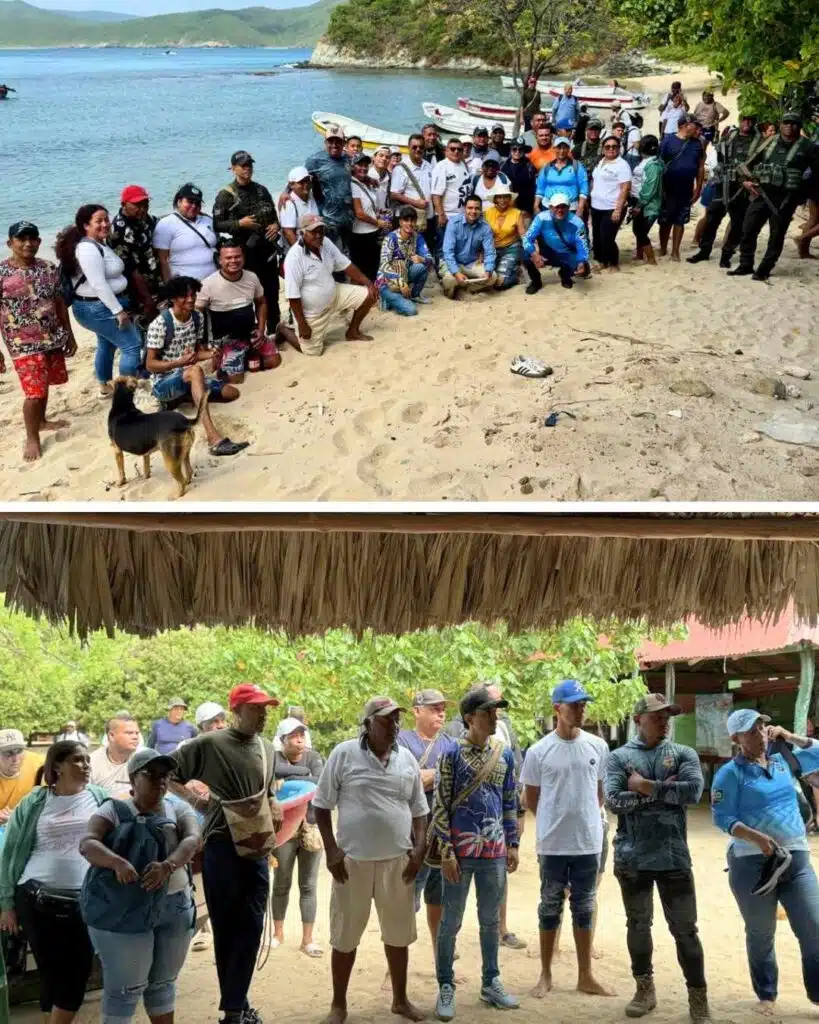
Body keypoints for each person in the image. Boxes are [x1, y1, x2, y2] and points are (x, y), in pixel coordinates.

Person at [172, 682, 284, 1024]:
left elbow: (269, 790)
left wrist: (275, 803)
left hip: (257, 847)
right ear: (236, 710)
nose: (263, 714)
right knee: (225, 926)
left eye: (266, 708)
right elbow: (168, 773)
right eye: (256, 708)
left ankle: (235, 1005)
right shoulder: (209, 743)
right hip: (221, 844)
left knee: (251, 924)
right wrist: (196, 800)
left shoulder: (267, 748)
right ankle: (235, 1009)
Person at [313, 696, 428, 1024]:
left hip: (398, 863)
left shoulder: (406, 759)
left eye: (396, 719)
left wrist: (419, 850)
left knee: (398, 934)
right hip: (353, 864)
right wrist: (332, 850)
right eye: (385, 720)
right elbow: (321, 806)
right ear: (367, 724)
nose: (394, 725)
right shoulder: (343, 753)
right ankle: (339, 1005)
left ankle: (400, 1000)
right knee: (345, 935)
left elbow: (419, 810)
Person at [604, 694, 710, 1023]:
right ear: (638, 720)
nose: (664, 722)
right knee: (638, 925)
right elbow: (613, 800)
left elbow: (693, 792)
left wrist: (645, 786)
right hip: (632, 856)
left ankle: (698, 999)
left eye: (667, 716)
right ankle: (644, 989)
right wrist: (664, 791)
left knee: (686, 931)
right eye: (657, 717)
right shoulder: (619, 757)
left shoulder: (683, 753)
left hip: (674, 855)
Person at [80, 748, 200, 1024]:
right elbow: (88, 842)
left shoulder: (177, 807)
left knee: (163, 983)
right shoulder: (113, 808)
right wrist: (116, 862)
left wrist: (168, 866)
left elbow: (193, 839)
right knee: (125, 989)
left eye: (166, 775)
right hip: (124, 909)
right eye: (152, 774)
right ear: (133, 778)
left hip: (175, 906)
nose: (161, 781)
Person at [711, 710, 819, 1012]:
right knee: (761, 932)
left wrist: (791, 737)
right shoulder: (729, 774)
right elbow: (722, 817)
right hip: (752, 865)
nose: (759, 734)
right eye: (750, 731)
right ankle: (767, 994)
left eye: (761, 727)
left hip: (795, 858)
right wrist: (756, 837)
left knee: (814, 925)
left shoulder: (783, 758)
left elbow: (818, 753)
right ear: (736, 739)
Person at [431, 685, 520, 1020]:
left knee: (490, 920)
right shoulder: (451, 754)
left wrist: (512, 843)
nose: (495, 717)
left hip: (494, 852)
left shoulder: (504, 754)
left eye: (496, 711)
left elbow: (510, 799)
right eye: (488, 712)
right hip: (459, 853)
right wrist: (446, 850)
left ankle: (490, 981)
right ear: (470, 718)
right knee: (450, 921)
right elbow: (440, 805)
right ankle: (445, 985)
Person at [0, 741, 106, 1024]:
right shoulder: (35, 801)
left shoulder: (99, 797)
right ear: (56, 765)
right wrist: (6, 904)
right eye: (77, 760)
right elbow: (10, 851)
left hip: (85, 899)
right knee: (50, 971)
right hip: (35, 898)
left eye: (87, 760)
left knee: (79, 970)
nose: (85, 765)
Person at [521, 680, 612, 1000]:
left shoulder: (598, 747)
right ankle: (545, 974)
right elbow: (531, 799)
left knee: (585, 906)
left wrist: (584, 818)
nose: (580, 709)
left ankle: (585, 975)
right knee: (549, 907)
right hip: (553, 844)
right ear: (556, 708)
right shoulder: (538, 751)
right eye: (573, 704)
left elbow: (600, 793)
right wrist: (554, 820)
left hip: (588, 841)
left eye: (583, 703)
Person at [145, 275, 248, 459]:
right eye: (184, 296)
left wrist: (212, 354)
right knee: (195, 371)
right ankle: (214, 439)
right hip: (163, 382)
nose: (191, 299)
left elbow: (198, 351)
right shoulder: (160, 324)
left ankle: (185, 397)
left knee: (231, 393)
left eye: (192, 294)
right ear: (173, 299)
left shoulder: (197, 318)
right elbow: (150, 365)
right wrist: (178, 363)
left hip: (187, 376)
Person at [0, 220, 76, 462]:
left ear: (39, 242)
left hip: (51, 338)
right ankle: (32, 437)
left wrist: (69, 334)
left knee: (44, 384)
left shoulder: (48, 268)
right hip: (21, 344)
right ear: (10, 243)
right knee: (33, 392)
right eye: (21, 239)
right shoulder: (2, 273)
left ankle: (42, 421)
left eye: (32, 239)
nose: (28, 244)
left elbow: (59, 302)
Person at [55, 204, 143, 397]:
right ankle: (125, 393)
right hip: (96, 308)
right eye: (98, 221)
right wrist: (118, 311)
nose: (105, 224)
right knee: (132, 345)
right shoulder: (87, 249)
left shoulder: (100, 244)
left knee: (107, 343)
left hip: (98, 306)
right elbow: (98, 284)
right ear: (86, 225)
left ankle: (104, 386)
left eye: (106, 219)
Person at [396, 690, 457, 955]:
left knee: (440, 897)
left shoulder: (450, 744)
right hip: (410, 833)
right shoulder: (401, 741)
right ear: (417, 711)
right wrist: (440, 774)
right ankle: (395, 964)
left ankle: (439, 955)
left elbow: (458, 782)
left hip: (442, 834)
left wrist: (429, 776)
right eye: (434, 708)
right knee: (406, 897)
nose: (441, 713)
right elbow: (406, 780)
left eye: (443, 708)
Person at [728, 112, 819, 280]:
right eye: (786, 122)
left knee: (776, 235)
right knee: (748, 229)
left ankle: (764, 269)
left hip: (786, 198)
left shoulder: (808, 147)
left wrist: (802, 192)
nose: (789, 126)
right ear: (780, 124)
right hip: (761, 193)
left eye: (793, 123)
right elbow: (746, 165)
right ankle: (745, 264)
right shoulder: (768, 142)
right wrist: (746, 182)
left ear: (799, 126)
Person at [278, 214, 377, 357]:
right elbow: (293, 296)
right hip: (313, 312)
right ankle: (284, 330)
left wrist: (368, 283)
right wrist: (302, 324)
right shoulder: (294, 258)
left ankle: (352, 331)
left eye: (321, 231)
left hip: (334, 294)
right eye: (313, 232)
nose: (318, 235)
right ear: (302, 232)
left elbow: (346, 265)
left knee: (370, 295)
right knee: (312, 351)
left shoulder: (326, 243)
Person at [271, 718, 325, 957]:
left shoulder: (313, 758)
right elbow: (271, 776)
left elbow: (320, 782)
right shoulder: (273, 758)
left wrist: (289, 779)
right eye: (294, 736)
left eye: (302, 735)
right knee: (281, 882)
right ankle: (277, 933)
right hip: (283, 828)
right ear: (283, 740)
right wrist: (303, 775)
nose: (300, 740)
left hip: (311, 827)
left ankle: (308, 940)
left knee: (309, 884)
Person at [212, 151, 281, 327]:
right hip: (245, 253)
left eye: (249, 165)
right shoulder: (226, 194)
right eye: (243, 166)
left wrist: (276, 225)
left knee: (272, 292)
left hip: (267, 250)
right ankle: (252, 334)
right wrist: (239, 223)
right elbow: (217, 225)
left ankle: (275, 331)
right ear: (233, 168)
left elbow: (273, 215)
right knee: (247, 295)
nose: (247, 169)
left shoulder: (261, 190)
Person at [196, 241, 279, 383]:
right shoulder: (208, 284)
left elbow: (261, 302)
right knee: (235, 379)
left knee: (274, 361)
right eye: (228, 258)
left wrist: (260, 329)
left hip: (250, 333)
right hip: (226, 339)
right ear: (220, 260)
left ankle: (247, 356)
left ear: (243, 258)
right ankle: (228, 361)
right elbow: (196, 313)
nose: (233, 260)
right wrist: (201, 345)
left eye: (237, 256)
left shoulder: (251, 277)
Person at [687, 114, 760, 266]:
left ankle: (726, 255)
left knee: (737, 223)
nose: (747, 122)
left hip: (742, 189)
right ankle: (704, 251)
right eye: (744, 119)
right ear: (740, 121)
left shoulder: (758, 142)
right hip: (723, 184)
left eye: (750, 120)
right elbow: (718, 157)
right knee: (712, 218)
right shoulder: (730, 137)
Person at [108, 184, 160, 319]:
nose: (143, 209)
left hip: (155, 284)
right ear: (124, 204)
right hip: (137, 292)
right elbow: (131, 269)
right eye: (137, 205)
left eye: (145, 204)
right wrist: (147, 299)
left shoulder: (145, 219)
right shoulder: (119, 231)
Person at [658, 115, 705, 261]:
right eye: (694, 125)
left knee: (680, 220)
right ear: (685, 125)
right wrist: (660, 188)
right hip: (668, 187)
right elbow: (658, 165)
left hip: (686, 188)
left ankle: (675, 251)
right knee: (665, 220)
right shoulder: (667, 140)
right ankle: (663, 248)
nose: (697, 129)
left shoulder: (697, 144)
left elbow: (700, 167)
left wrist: (698, 189)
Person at [522, 193, 590, 292]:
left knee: (584, 268)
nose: (560, 210)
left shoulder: (578, 222)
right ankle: (536, 281)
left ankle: (565, 274)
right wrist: (534, 253)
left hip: (566, 253)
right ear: (550, 207)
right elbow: (527, 239)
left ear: (569, 207)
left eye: (563, 207)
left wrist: (581, 261)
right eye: (556, 207)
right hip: (547, 252)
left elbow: (583, 244)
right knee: (525, 254)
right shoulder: (541, 218)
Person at [154, 183, 217, 283]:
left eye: (197, 203)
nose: (194, 206)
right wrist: (170, 287)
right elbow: (163, 260)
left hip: (213, 281)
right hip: (185, 286)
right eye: (189, 202)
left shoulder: (208, 220)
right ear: (179, 202)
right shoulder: (166, 224)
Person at [376, 206, 434, 316]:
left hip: (405, 274)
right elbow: (384, 265)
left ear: (416, 221)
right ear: (400, 222)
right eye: (406, 220)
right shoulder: (390, 238)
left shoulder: (418, 237)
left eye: (412, 220)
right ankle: (386, 297)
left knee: (422, 266)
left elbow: (430, 261)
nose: (410, 223)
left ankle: (415, 295)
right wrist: (401, 283)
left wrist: (421, 259)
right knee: (411, 310)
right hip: (387, 282)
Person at [306, 124, 353, 252]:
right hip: (328, 220)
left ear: (344, 142)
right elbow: (300, 179)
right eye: (330, 141)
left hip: (348, 219)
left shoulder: (348, 159)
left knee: (347, 257)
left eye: (338, 141)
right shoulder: (315, 160)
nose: (334, 145)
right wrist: (286, 192)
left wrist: (369, 179)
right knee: (333, 258)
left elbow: (355, 176)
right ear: (325, 142)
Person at [440, 196, 498, 299]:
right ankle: (454, 292)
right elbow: (448, 252)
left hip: (471, 263)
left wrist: (488, 270)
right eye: (470, 208)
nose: (473, 211)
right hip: (454, 263)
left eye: (477, 208)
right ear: (464, 209)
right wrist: (456, 272)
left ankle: (464, 290)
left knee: (492, 277)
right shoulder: (453, 223)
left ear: (481, 210)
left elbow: (490, 252)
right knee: (450, 280)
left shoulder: (485, 227)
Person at [590, 137, 632, 270]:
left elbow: (625, 188)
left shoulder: (622, 165)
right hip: (596, 205)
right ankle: (602, 261)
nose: (611, 149)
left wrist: (618, 210)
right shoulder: (601, 161)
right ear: (603, 148)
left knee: (607, 237)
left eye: (614, 146)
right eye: (607, 146)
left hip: (612, 207)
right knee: (597, 236)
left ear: (619, 148)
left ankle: (613, 263)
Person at [391, 134, 436, 257]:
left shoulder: (428, 166)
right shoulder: (400, 168)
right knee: (409, 253)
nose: (418, 150)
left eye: (421, 147)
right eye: (414, 147)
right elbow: (394, 194)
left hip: (428, 217)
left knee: (426, 251)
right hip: (411, 220)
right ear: (408, 148)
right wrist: (416, 203)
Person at [349, 153, 392, 282]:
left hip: (371, 232)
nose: (363, 168)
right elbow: (359, 213)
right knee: (361, 269)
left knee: (372, 267)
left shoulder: (366, 182)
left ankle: (372, 296)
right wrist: (378, 222)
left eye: (365, 165)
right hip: (360, 234)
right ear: (353, 167)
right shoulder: (353, 184)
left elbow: (368, 206)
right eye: (359, 165)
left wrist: (378, 212)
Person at [431, 138, 471, 262]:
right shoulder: (442, 166)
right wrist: (441, 214)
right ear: (446, 151)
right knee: (444, 247)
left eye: (459, 149)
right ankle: (441, 273)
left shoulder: (463, 164)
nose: (456, 152)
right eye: (452, 149)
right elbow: (436, 194)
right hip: (447, 216)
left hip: (462, 216)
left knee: (457, 247)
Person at [89, 712, 142, 797]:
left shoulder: (142, 761)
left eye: (137, 733)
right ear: (111, 736)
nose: (135, 737)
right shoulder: (91, 763)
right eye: (129, 733)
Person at [484, 184, 527, 289]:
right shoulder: (487, 212)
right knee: (487, 278)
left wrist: (531, 250)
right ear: (495, 199)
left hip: (511, 248)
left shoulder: (517, 213)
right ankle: (512, 269)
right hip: (493, 250)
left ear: (509, 198)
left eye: (505, 197)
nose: (502, 200)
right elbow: (482, 235)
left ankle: (516, 275)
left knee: (500, 283)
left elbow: (523, 233)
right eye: (499, 197)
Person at [534, 137, 590, 216]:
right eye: (559, 147)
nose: (562, 151)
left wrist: (581, 207)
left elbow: (584, 188)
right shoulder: (547, 167)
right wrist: (536, 205)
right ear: (554, 149)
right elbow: (540, 188)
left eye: (565, 148)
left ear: (569, 149)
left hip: (571, 208)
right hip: (548, 207)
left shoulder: (577, 166)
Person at [630, 135, 664, 265]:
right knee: (638, 229)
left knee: (640, 231)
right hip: (640, 200)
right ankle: (639, 255)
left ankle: (651, 259)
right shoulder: (649, 161)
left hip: (648, 204)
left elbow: (650, 187)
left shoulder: (653, 165)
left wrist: (639, 205)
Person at [279, 167, 320, 252]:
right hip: (300, 249)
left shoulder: (311, 196)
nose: (306, 184)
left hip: (314, 245)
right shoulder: (289, 203)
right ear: (291, 185)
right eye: (301, 182)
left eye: (307, 180)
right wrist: (302, 252)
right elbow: (289, 233)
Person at [501, 136, 537, 215]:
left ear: (524, 151)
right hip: (506, 209)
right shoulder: (503, 166)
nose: (517, 152)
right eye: (514, 149)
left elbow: (532, 190)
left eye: (520, 149)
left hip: (524, 210)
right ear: (510, 150)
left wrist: (527, 209)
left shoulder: (530, 167)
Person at [574, 118, 604, 183]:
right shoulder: (577, 148)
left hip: (599, 182)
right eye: (591, 129)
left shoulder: (606, 147)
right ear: (586, 130)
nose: (594, 131)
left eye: (596, 129)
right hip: (581, 182)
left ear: (600, 131)